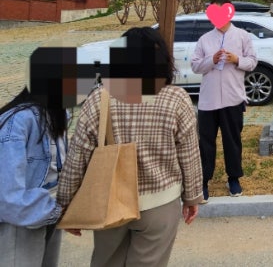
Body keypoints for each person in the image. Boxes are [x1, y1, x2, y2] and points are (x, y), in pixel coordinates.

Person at [58, 27, 202, 267]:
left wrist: (66, 202)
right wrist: (192, 196)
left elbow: (78, 155)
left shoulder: (100, 98)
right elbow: (189, 153)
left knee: (106, 262)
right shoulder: (176, 98)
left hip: (110, 199)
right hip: (160, 201)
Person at [0, 47, 74, 267]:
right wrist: (57, 210)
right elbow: (9, 197)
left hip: (47, 212)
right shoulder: (18, 122)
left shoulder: (58, 115)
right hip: (21, 221)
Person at [191, 0, 257, 200]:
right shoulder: (204, 39)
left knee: (232, 141)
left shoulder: (242, 36)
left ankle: (233, 178)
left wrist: (236, 60)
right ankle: (203, 181)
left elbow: (252, 62)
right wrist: (211, 59)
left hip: (233, 98)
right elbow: (195, 66)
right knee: (205, 142)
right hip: (208, 100)